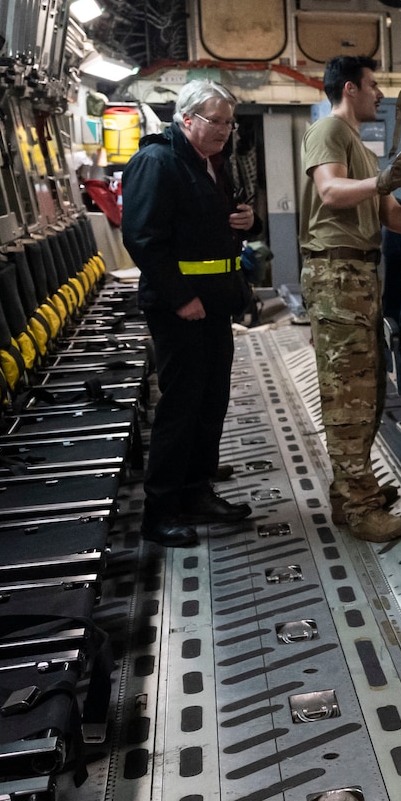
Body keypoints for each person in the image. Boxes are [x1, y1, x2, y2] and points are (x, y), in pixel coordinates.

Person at [120, 81, 257, 547]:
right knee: (179, 408)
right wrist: (180, 298)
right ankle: (159, 512)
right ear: (186, 119)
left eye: (228, 122)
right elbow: (143, 239)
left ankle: (197, 491)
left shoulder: (210, 164)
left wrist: (245, 220)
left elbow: (208, 227)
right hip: (180, 310)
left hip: (215, 304)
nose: (223, 130)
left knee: (211, 402)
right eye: (215, 121)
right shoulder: (156, 162)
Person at [300, 56, 401, 543]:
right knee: (348, 392)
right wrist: (382, 181)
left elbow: (392, 217)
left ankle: (349, 490)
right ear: (350, 88)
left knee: (366, 389)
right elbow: (330, 192)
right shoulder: (329, 130)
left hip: (359, 274)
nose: (379, 95)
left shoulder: (362, 150)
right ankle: (361, 504)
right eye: (373, 86)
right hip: (337, 274)